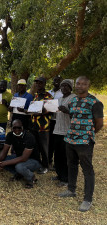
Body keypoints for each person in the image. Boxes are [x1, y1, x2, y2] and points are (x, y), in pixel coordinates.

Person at [58, 76, 104, 212]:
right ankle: (71, 189)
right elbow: (73, 116)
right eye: (78, 83)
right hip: (70, 138)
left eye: (83, 84)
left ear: (88, 86)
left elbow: (99, 123)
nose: (80, 86)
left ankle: (87, 199)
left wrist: (88, 134)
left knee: (87, 169)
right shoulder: (73, 101)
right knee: (71, 164)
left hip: (84, 141)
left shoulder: (95, 103)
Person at [0, 120, 41, 188]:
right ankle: (19, 174)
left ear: (22, 128)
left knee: (19, 167)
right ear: (11, 128)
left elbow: (24, 158)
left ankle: (31, 178)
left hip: (33, 160)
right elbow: (4, 151)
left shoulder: (29, 137)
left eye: (19, 128)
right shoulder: (10, 135)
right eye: (14, 128)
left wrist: (4, 163)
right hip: (19, 157)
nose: (17, 130)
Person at [52, 79, 76, 187]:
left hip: (67, 131)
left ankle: (66, 179)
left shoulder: (74, 98)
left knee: (65, 156)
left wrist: (67, 111)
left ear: (71, 88)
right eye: (62, 86)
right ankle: (59, 174)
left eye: (66, 86)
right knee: (57, 155)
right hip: (57, 130)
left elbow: (77, 114)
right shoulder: (60, 99)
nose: (63, 88)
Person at [30, 77, 53, 174]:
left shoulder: (48, 96)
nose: (38, 85)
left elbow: (51, 110)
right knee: (36, 146)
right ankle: (38, 164)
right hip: (34, 125)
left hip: (44, 126)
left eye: (40, 83)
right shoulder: (35, 96)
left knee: (44, 148)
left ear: (44, 84)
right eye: (36, 83)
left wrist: (39, 113)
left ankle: (45, 166)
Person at [48, 76, 63, 169]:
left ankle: (57, 164)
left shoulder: (63, 94)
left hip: (59, 121)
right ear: (52, 82)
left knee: (58, 143)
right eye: (55, 80)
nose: (56, 82)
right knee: (49, 142)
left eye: (59, 81)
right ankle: (49, 161)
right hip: (49, 121)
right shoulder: (48, 93)